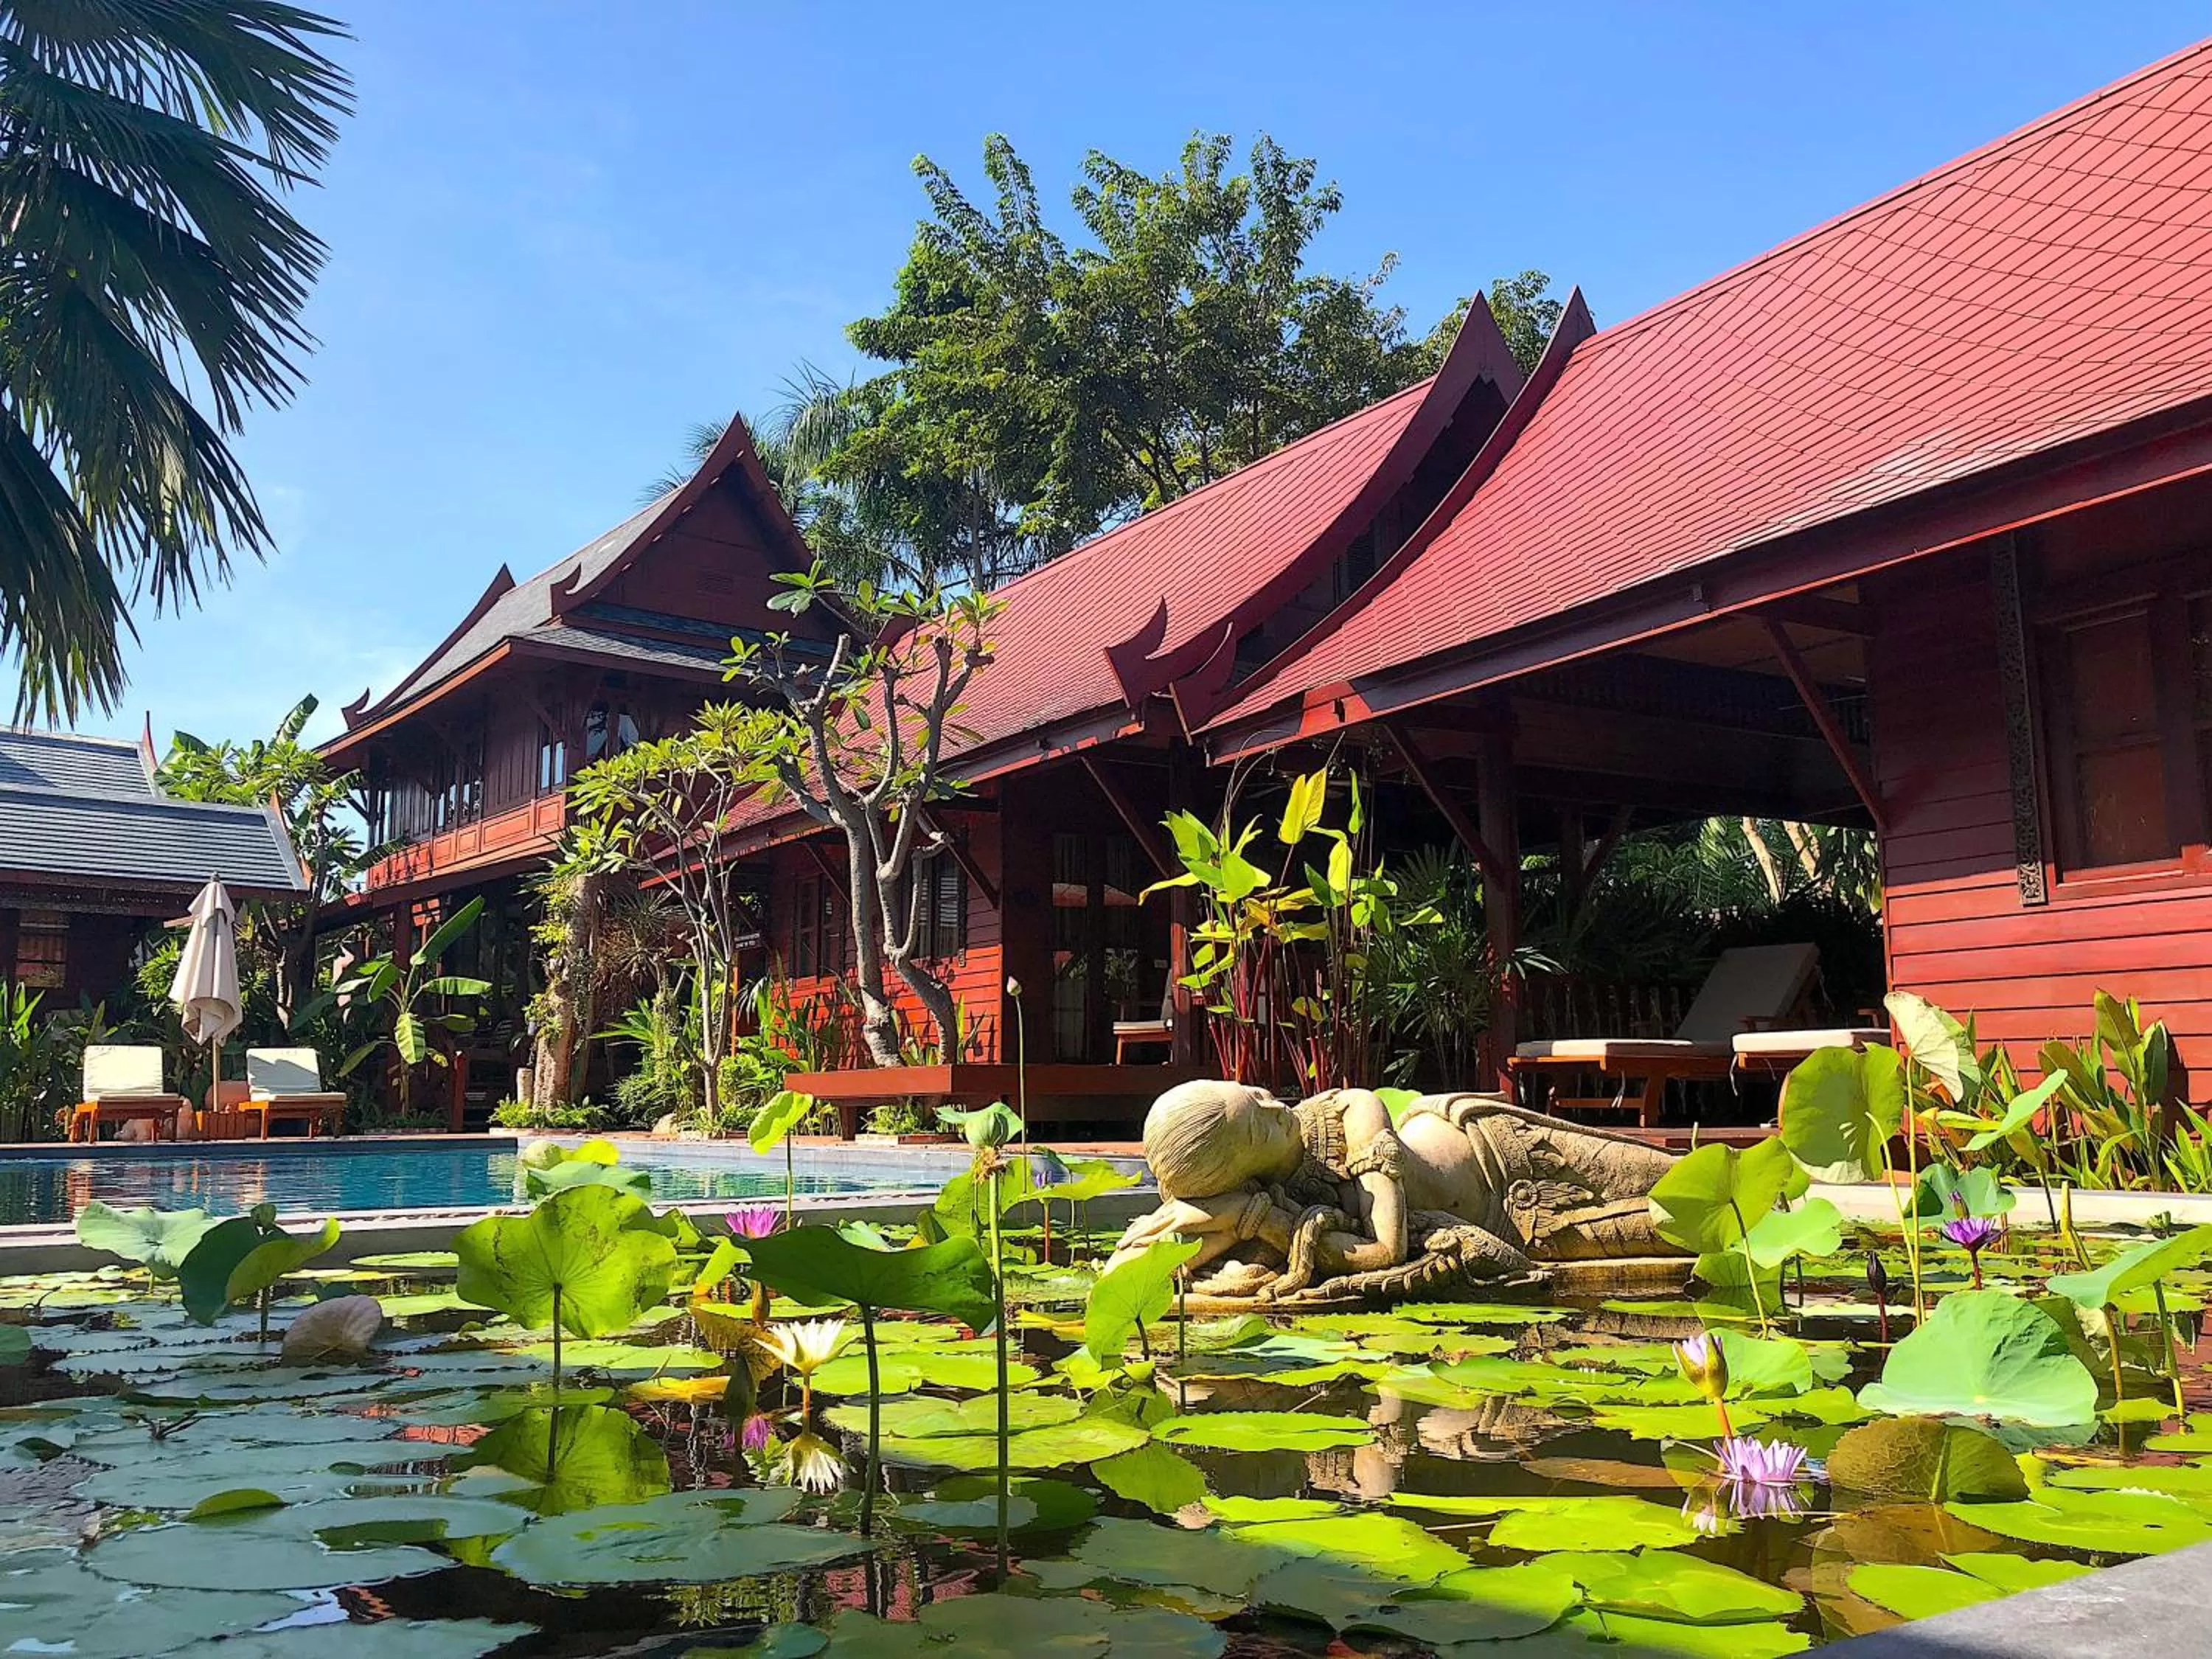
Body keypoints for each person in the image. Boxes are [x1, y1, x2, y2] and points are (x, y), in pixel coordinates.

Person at [1107, 1080, 1683, 1301]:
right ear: (1244, 1171)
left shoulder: (1349, 1111)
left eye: (1251, 1092)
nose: (1274, 1106)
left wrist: (1265, 1222)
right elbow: (1127, 1278)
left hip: (1505, 1150)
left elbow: (1386, 1252)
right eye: (1259, 1124)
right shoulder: (1275, 1203)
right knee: (1683, 1233)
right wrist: (1243, 1215)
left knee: (1693, 1184)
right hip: (1524, 1226)